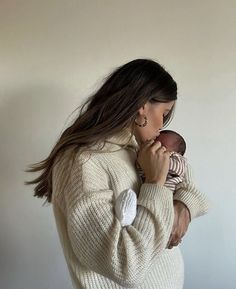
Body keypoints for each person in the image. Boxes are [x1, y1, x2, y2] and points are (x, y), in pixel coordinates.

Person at [24, 58, 209, 289]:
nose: (162, 125)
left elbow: (187, 179)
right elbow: (125, 266)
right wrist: (154, 184)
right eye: (164, 113)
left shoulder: (136, 145)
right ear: (142, 105)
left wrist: (183, 207)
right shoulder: (81, 163)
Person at [115, 129, 199, 229]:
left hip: (167, 196)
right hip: (147, 195)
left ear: (178, 152)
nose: (156, 147)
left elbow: (180, 170)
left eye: (163, 147)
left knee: (163, 217)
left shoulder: (178, 160)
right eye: (155, 142)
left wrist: (163, 161)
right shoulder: (140, 154)